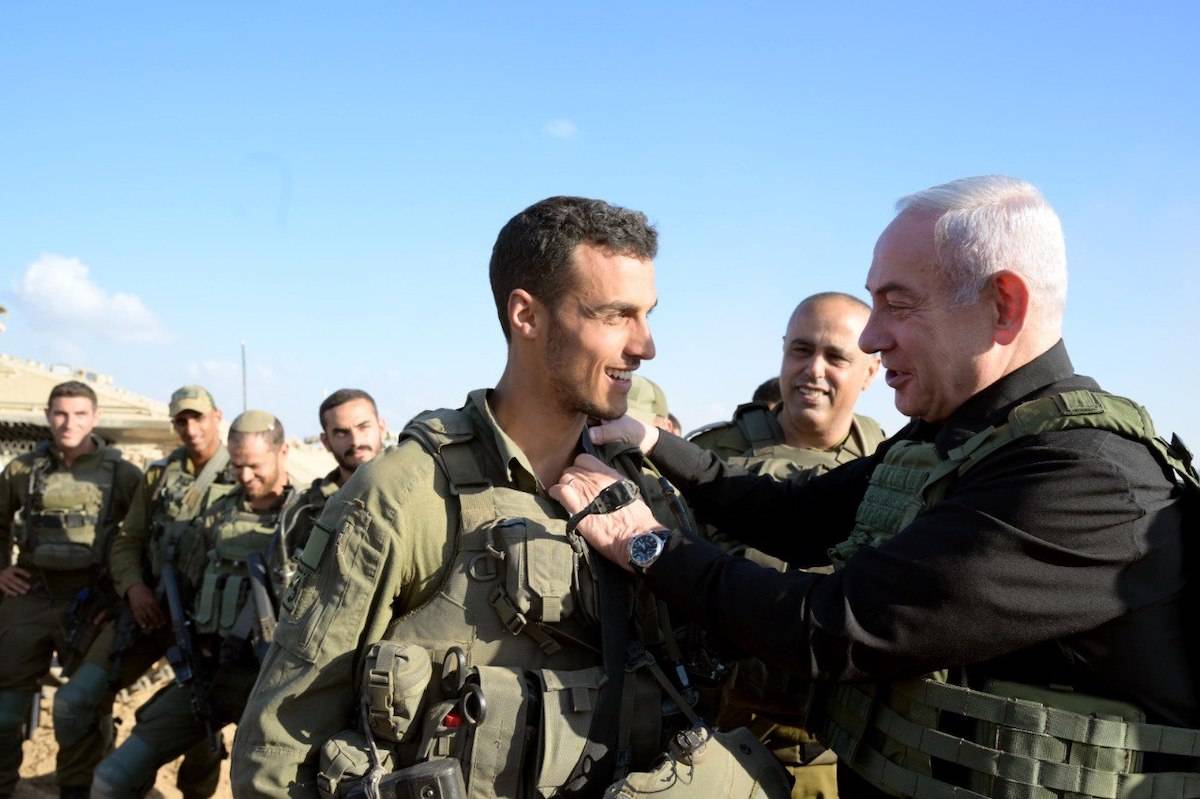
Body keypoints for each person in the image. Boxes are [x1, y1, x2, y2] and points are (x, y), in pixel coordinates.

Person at [553, 176, 1199, 797]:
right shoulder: (955, 432)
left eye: (897, 303)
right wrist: (651, 442)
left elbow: (835, 625)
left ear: (1003, 305)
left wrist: (645, 544)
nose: (870, 335)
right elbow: (798, 514)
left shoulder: (1081, 477)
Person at [231, 196, 789, 798]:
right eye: (615, 316)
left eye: (647, 315)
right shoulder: (408, 496)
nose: (645, 346)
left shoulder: (644, 490)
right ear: (527, 315)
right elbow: (279, 745)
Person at [92, 411, 299, 798]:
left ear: (282, 452)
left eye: (255, 466)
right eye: (236, 466)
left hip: (271, 689)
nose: (244, 476)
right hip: (207, 676)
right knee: (112, 778)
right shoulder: (215, 515)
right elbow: (182, 583)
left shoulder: (306, 520)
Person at [0, 381, 142, 799]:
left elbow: (139, 536)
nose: (69, 423)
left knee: (81, 707)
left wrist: (122, 595)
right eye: (60, 413)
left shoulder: (122, 473)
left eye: (80, 414)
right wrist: (1, 570)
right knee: (5, 703)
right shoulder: (23, 470)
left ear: (95, 418)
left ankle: (77, 790)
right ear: (47, 415)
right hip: (30, 594)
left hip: (89, 602)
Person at [102, 385, 236, 798]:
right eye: (181, 419)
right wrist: (134, 588)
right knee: (84, 695)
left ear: (217, 416)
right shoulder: (161, 475)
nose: (190, 427)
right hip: (152, 610)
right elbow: (128, 540)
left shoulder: (244, 471)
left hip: (209, 627)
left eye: (198, 417)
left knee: (199, 728)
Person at [690, 292, 883, 482]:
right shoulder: (708, 455)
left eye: (836, 357)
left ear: (870, 373)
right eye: (802, 350)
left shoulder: (891, 462)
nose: (814, 369)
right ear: (784, 349)